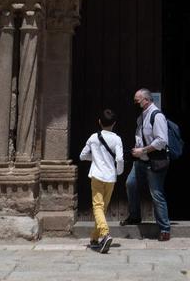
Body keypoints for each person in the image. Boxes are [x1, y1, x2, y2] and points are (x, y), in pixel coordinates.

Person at [122, 87, 171, 240]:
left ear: (147, 100)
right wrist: (137, 149)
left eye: (137, 101)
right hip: (141, 161)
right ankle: (135, 216)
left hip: (154, 161)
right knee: (130, 184)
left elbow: (161, 141)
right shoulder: (142, 116)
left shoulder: (157, 116)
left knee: (156, 193)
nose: (135, 103)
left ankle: (164, 229)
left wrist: (143, 150)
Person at [79, 107, 124, 254]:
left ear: (99, 122)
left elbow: (82, 156)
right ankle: (94, 238)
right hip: (110, 177)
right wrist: (118, 171)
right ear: (114, 123)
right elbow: (119, 159)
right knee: (102, 208)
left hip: (97, 175)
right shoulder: (117, 139)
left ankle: (104, 234)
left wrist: (95, 158)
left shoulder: (93, 138)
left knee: (98, 206)